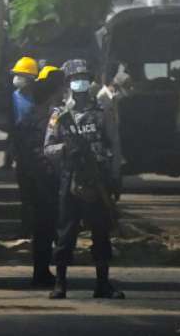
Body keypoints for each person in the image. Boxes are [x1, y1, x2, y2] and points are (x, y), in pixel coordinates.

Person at [44, 59, 124, 299]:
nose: (81, 83)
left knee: (101, 232)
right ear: (68, 83)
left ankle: (102, 284)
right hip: (71, 179)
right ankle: (60, 283)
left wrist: (115, 177)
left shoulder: (102, 112)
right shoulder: (60, 115)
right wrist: (66, 150)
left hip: (98, 178)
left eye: (85, 78)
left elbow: (115, 145)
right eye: (76, 78)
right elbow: (48, 148)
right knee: (66, 233)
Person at [17, 65, 66, 286]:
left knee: (44, 228)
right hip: (45, 182)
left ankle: (44, 270)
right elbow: (35, 153)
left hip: (35, 181)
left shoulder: (31, 115)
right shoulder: (46, 117)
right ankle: (44, 272)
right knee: (48, 227)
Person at [9, 56, 39, 232]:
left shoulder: (37, 97)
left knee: (37, 191)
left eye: (21, 75)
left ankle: (35, 225)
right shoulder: (13, 97)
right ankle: (26, 226)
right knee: (25, 191)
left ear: (31, 79)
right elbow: (12, 123)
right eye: (16, 75)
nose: (17, 78)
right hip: (21, 146)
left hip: (35, 146)